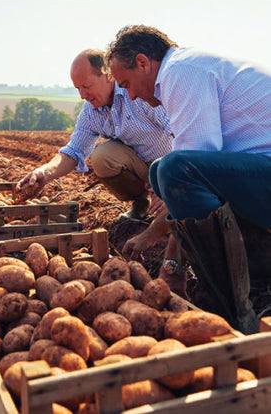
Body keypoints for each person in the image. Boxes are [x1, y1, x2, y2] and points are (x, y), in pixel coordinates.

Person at [105, 25, 271, 333]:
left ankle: (235, 312)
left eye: (127, 84)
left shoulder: (180, 73)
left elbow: (186, 172)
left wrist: (172, 266)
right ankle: (258, 265)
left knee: (171, 170)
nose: (131, 95)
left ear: (144, 62)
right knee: (160, 171)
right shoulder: (187, 67)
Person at [17, 49, 175, 269]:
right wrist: (45, 172)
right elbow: (73, 151)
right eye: (77, 88)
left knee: (178, 207)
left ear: (107, 75)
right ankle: (141, 203)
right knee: (102, 156)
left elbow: (178, 132)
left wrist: (171, 178)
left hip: (171, 163)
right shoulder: (91, 112)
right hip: (141, 168)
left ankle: (171, 208)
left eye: (86, 86)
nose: (82, 94)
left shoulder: (138, 94)